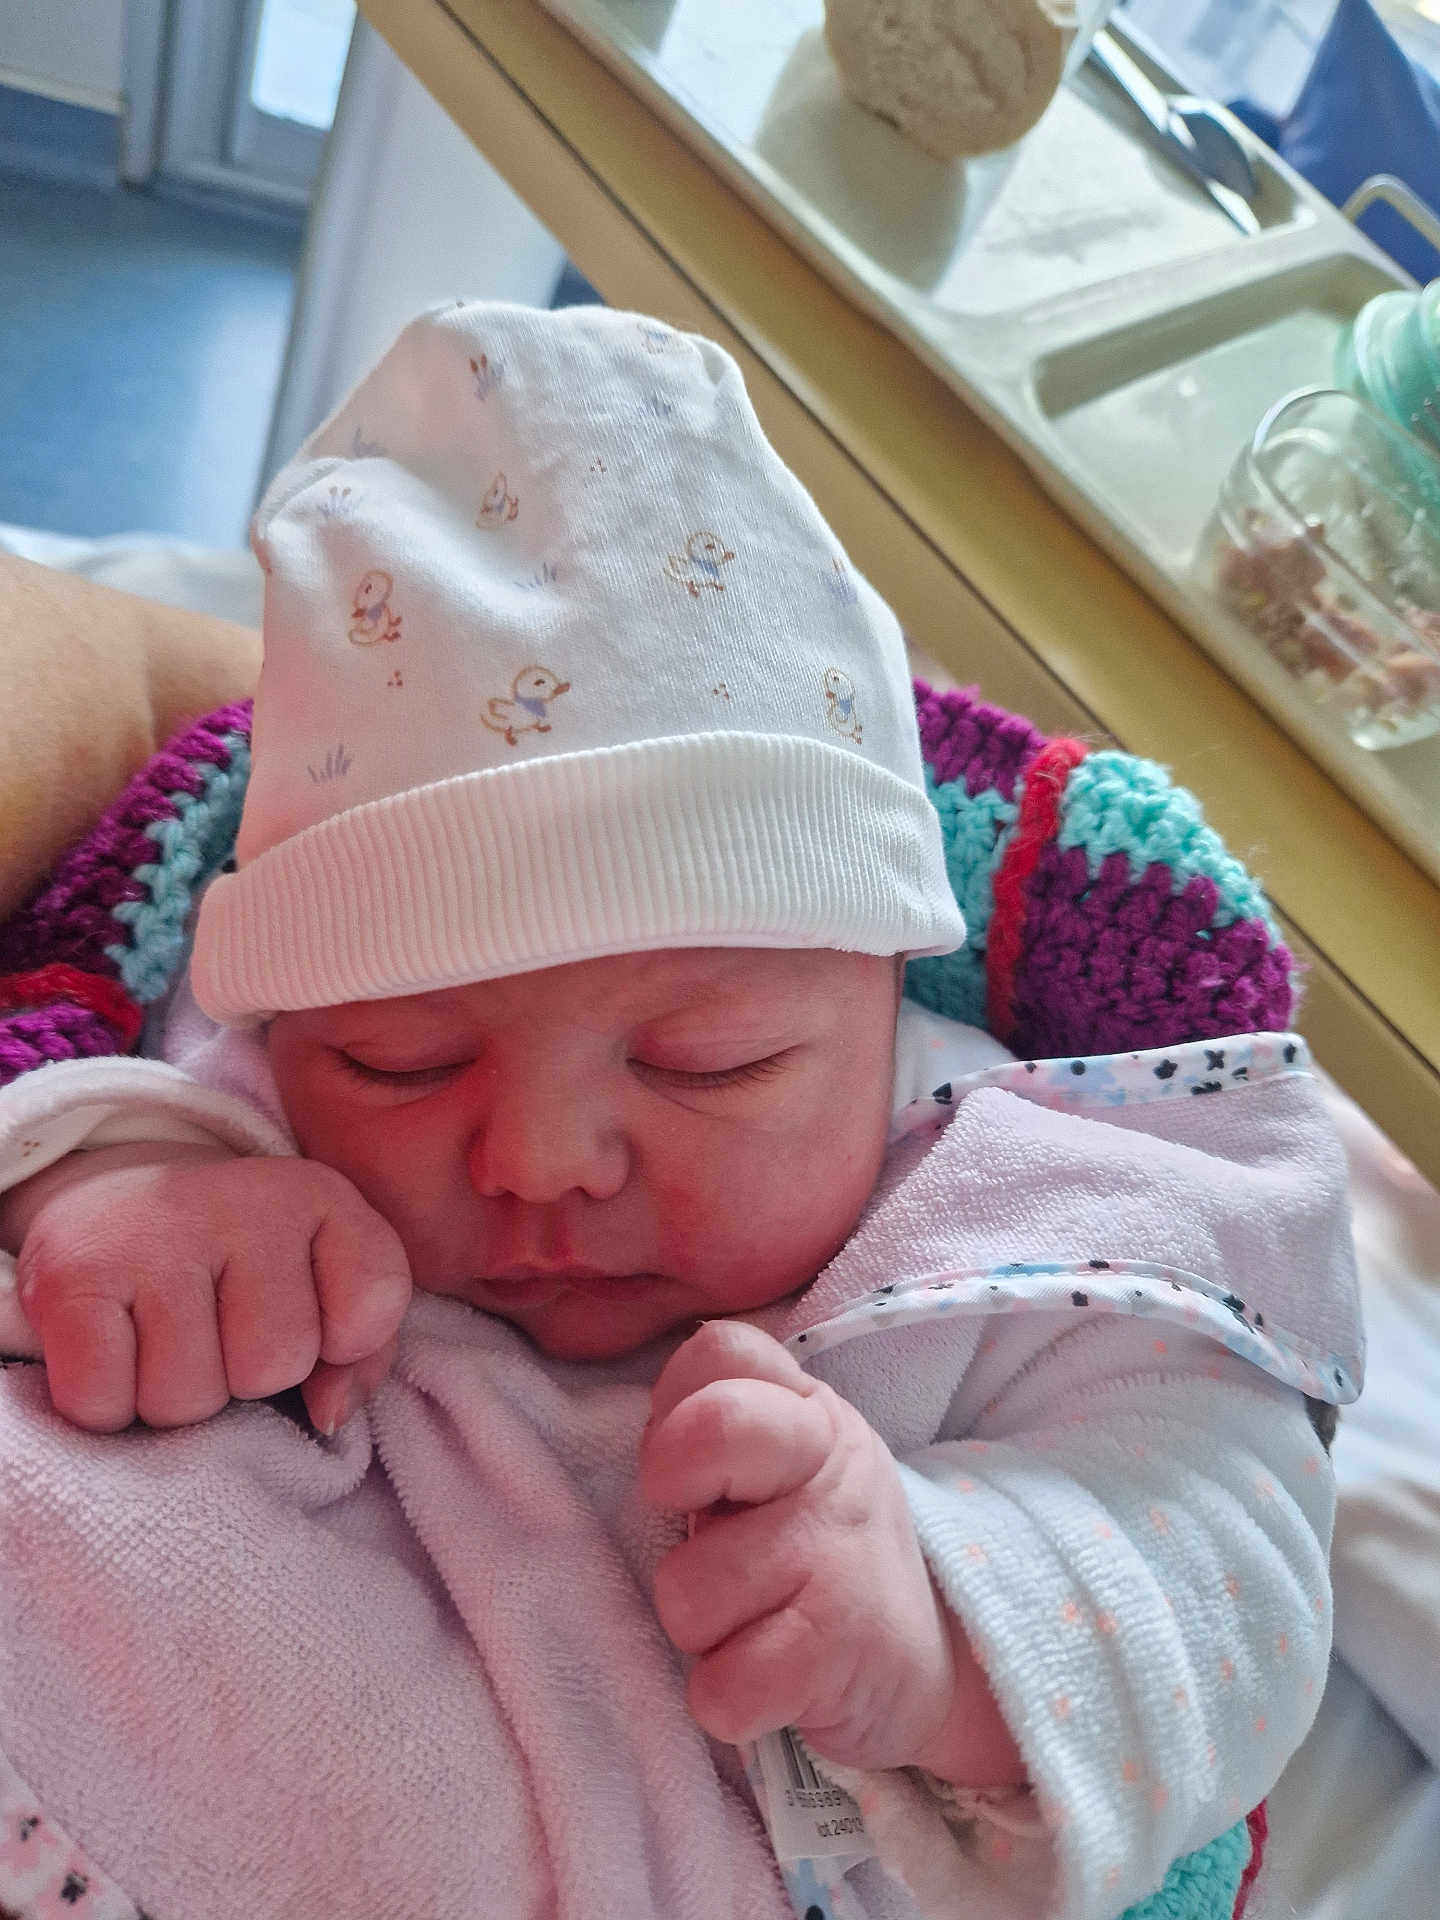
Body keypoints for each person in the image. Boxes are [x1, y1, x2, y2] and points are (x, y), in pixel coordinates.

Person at [0, 301, 1359, 1920]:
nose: (542, 1159)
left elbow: (1237, 1569)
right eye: (402, 1064)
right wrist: (114, 1182)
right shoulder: (229, 1064)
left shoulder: (1048, 1207)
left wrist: (943, 1632)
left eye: (706, 1060)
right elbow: (75, 1078)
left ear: (895, 996)